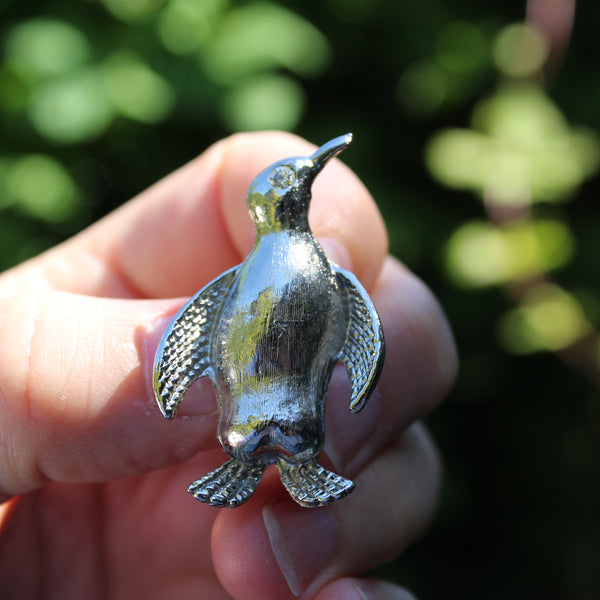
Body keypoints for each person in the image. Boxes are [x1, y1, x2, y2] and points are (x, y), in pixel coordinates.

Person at [0, 132, 457, 600]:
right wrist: (167, 365)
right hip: (258, 423)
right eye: (291, 174)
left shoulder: (308, 273)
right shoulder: (264, 274)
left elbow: (358, 323)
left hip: (267, 428)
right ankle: (282, 465)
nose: (310, 169)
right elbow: (196, 322)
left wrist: (364, 370)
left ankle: (293, 468)